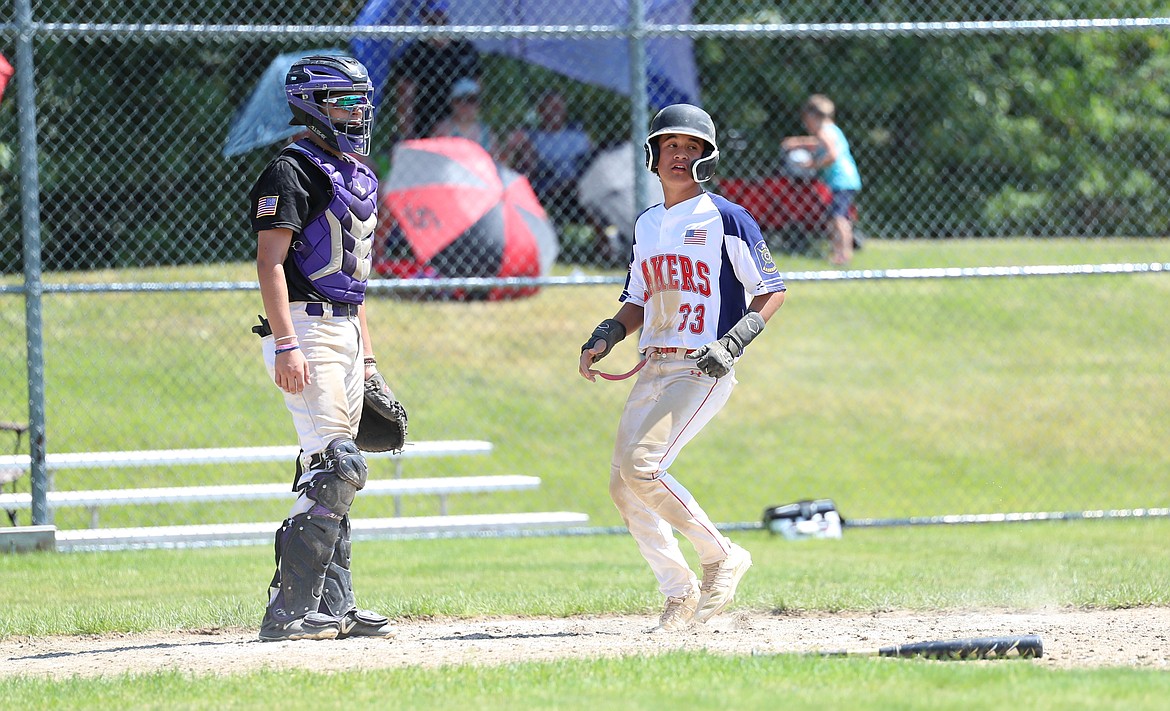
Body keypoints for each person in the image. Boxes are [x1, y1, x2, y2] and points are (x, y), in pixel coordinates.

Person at [577, 104, 787, 632]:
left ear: (707, 158)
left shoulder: (728, 217)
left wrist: (734, 342)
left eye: (692, 147)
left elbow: (771, 291)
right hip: (655, 362)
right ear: (652, 154)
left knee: (643, 466)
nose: (679, 154)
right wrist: (608, 333)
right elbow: (638, 298)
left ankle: (721, 555)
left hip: (702, 365)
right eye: (670, 144)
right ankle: (679, 592)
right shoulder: (648, 224)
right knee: (623, 485)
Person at [249, 55, 398, 642]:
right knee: (339, 465)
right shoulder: (291, 170)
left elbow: (354, 282)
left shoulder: (356, 173)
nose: (356, 112)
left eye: (361, 102)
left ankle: (334, 607)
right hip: (304, 331)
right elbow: (271, 263)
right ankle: (289, 610)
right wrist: (286, 343)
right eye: (343, 101)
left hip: (345, 331)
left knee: (331, 472)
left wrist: (370, 359)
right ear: (311, 105)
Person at [781, 94, 862, 265]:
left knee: (838, 217)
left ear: (812, 116)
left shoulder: (824, 131)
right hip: (846, 179)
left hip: (842, 180)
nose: (806, 125)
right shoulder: (830, 129)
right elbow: (818, 143)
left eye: (806, 120)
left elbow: (832, 154)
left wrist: (812, 164)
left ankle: (843, 254)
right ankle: (840, 252)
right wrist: (798, 143)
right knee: (838, 216)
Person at [501, 90, 593, 230]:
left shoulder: (578, 136)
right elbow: (513, 152)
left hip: (580, 186)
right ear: (540, 111)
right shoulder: (533, 137)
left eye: (558, 107)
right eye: (550, 107)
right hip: (547, 189)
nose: (554, 111)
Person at [390, 0, 481, 141]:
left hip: (461, 127)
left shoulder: (464, 48)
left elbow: (477, 86)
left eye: (440, 16)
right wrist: (408, 134)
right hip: (425, 126)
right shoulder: (415, 53)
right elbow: (405, 96)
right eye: (432, 18)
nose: (437, 21)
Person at [431, 78, 497, 157]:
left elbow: (497, 160)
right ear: (452, 103)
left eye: (472, 100)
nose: (467, 106)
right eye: (461, 100)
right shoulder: (443, 128)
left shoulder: (487, 131)